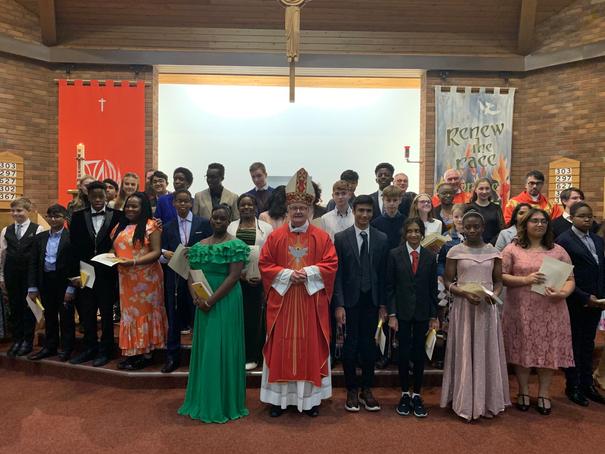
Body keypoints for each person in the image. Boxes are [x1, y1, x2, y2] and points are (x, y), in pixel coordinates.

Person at [259, 168, 338, 417]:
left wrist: (309, 272)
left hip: (310, 302)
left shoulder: (322, 238)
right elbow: (265, 264)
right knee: (280, 348)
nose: (298, 212)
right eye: (294, 208)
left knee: (309, 348)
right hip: (283, 304)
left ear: (310, 209)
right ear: (288, 209)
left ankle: (310, 401)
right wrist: (286, 274)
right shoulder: (275, 237)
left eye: (302, 208)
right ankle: (278, 401)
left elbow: (331, 264)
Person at [178, 204, 250, 424]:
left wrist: (210, 300)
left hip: (225, 300)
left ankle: (225, 402)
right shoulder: (198, 246)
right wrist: (196, 297)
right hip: (203, 302)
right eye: (215, 218)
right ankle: (205, 397)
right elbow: (191, 273)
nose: (218, 221)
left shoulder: (236, 245)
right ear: (210, 219)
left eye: (222, 218)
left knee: (223, 346)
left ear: (229, 221)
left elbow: (234, 276)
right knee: (207, 348)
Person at [501, 208, 575, 415]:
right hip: (521, 308)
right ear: (525, 225)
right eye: (534, 221)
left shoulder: (558, 250)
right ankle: (523, 391)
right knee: (522, 349)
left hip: (551, 309)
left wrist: (562, 293)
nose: (540, 224)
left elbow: (570, 279)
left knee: (548, 350)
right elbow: (501, 276)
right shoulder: (512, 249)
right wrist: (526, 279)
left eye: (543, 221)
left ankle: (544, 393)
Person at [440, 210, 509, 421]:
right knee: (465, 350)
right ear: (462, 228)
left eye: (476, 227)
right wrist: (463, 293)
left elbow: (498, 281)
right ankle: (464, 400)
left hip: (486, 307)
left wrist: (494, 294)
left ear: (483, 228)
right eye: (467, 226)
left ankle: (487, 400)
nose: (471, 230)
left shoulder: (494, 252)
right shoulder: (455, 251)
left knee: (486, 351)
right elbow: (448, 281)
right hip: (464, 306)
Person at [334, 195, 389, 412]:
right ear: (354, 211)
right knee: (350, 344)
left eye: (368, 211)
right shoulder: (341, 238)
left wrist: (383, 304)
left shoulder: (382, 238)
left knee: (369, 345)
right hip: (349, 300)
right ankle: (351, 389)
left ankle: (367, 389)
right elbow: (337, 274)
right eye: (361, 211)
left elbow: (384, 275)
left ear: (373, 213)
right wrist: (339, 304)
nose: (364, 215)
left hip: (372, 300)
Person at [387, 217, 438, 418]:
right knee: (403, 353)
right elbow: (390, 287)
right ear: (405, 233)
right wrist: (392, 314)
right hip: (401, 312)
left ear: (422, 233)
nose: (414, 234)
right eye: (410, 231)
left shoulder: (429, 257)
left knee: (418, 354)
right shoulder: (394, 254)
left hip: (422, 313)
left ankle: (416, 394)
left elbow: (432, 289)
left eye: (417, 231)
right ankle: (404, 394)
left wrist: (433, 315)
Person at [556, 202, 605, 406]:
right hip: (575, 300)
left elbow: (600, 269)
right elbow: (561, 276)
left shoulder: (597, 239)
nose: (587, 219)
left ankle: (587, 384)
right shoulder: (563, 240)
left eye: (590, 216)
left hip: (597, 301)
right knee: (574, 344)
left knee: (588, 344)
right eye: (582, 216)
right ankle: (573, 386)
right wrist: (584, 297)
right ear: (572, 218)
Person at [111, 192, 167, 370]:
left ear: (143, 208)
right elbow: (115, 248)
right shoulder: (119, 226)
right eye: (128, 205)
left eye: (135, 206)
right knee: (129, 316)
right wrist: (110, 257)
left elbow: (156, 252)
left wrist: (134, 262)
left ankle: (147, 354)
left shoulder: (151, 226)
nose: (130, 209)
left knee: (145, 315)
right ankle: (133, 352)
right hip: (126, 279)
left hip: (147, 279)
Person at [69, 181, 122, 367]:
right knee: (87, 312)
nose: (98, 199)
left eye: (101, 196)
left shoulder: (118, 216)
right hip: (85, 270)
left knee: (107, 313)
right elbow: (72, 247)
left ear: (107, 196)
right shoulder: (77, 216)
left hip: (108, 272)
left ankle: (106, 350)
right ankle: (89, 348)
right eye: (94, 197)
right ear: (88, 197)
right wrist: (74, 274)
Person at [160, 189, 212, 373]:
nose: (182, 204)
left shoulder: (203, 223)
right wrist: (165, 254)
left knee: (198, 315)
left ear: (191, 203)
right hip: (174, 277)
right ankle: (172, 357)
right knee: (174, 317)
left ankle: (201, 357)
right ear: (173, 203)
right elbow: (161, 254)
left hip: (198, 276)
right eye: (179, 201)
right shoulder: (168, 226)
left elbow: (210, 246)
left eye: (185, 201)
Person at [227, 194, 273, 370]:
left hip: (258, 280)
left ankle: (254, 355)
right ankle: (238, 354)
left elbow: (270, 253)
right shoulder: (231, 227)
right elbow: (228, 252)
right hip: (235, 279)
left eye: (249, 204)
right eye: (242, 205)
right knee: (237, 318)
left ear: (255, 207)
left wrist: (262, 275)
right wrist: (238, 274)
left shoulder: (266, 228)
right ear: (238, 208)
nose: (246, 207)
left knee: (255, 319)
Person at [27, 204, 78, 361]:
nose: (53, 219)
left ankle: (67, 348)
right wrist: (32, 286)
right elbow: (33, 263)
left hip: (64, 282)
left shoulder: (71, 237)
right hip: (46, 280)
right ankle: (50, 346)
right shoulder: (40, 237)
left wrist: (71, 288)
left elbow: (75, 264)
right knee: (49, 315)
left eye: (57, 216)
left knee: (66, 316)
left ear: (65, 218)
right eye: (50, 216)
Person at [0, 198, 44, 357]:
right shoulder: (6, 230)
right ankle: (17, 340)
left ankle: (27, 340)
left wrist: (37, 280)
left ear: (28, 211)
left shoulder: (37, 229)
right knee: (15, 307)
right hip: (11, 274)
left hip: (29, 275)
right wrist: (1, 277)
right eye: (13, 211)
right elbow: (2, 255)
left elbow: (39, 256)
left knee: (29, 307)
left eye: (19, 210)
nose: (15, 213)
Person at [469, 177, 504, 244]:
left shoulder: (496, 208)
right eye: (481, 188)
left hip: (492, 246)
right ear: (475, 190)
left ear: (491, 190)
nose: (484, 191)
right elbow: (466, 228)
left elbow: (502, 229)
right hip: (473, 245)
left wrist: (490, 244)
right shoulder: (469, 208)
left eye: (487, 188)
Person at [371, 185, 405, 250]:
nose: (392, 203)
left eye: (395, 200)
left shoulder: (406, 222)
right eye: (388, 200)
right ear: (383, 200)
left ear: (400, 200)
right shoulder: (375, 224)